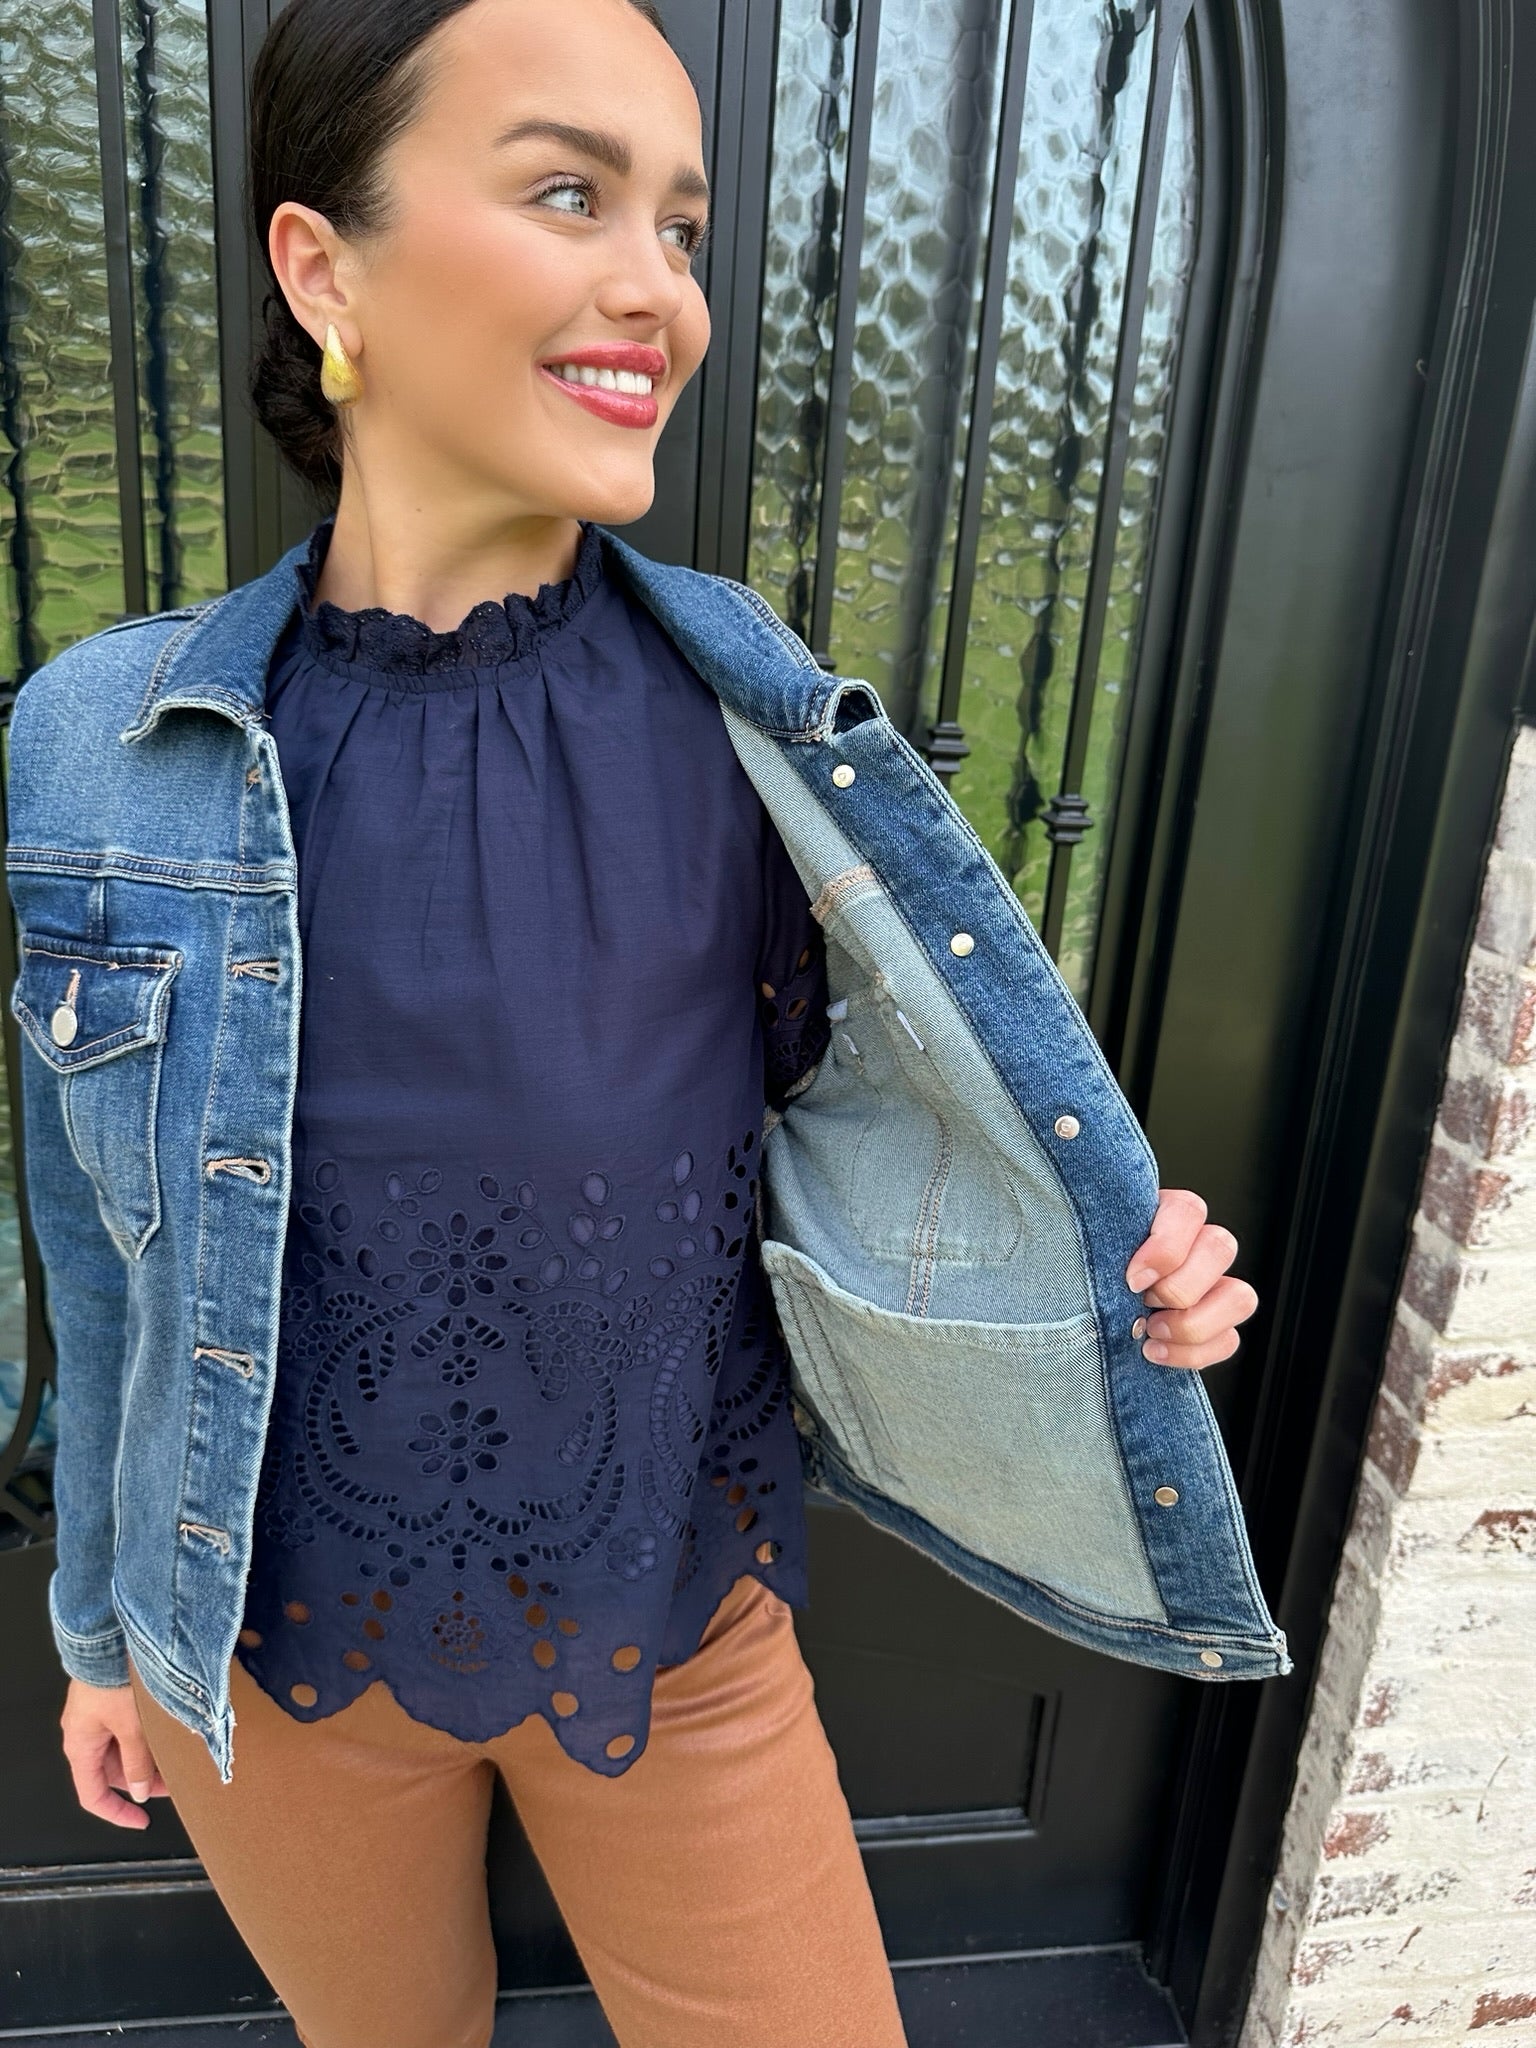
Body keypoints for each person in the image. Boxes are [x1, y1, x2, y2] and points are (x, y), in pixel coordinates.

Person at [18, 2, 1260, 2042]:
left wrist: (1101, 1289)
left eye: (679, 225)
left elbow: (897, 1148)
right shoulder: (103, 745)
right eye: (567, 193)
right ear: (325, 269)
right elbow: (97, 1243)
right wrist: (97, 1631)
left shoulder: (763, 738)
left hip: (675, 1627)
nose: (659, 289)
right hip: (252, 1651)